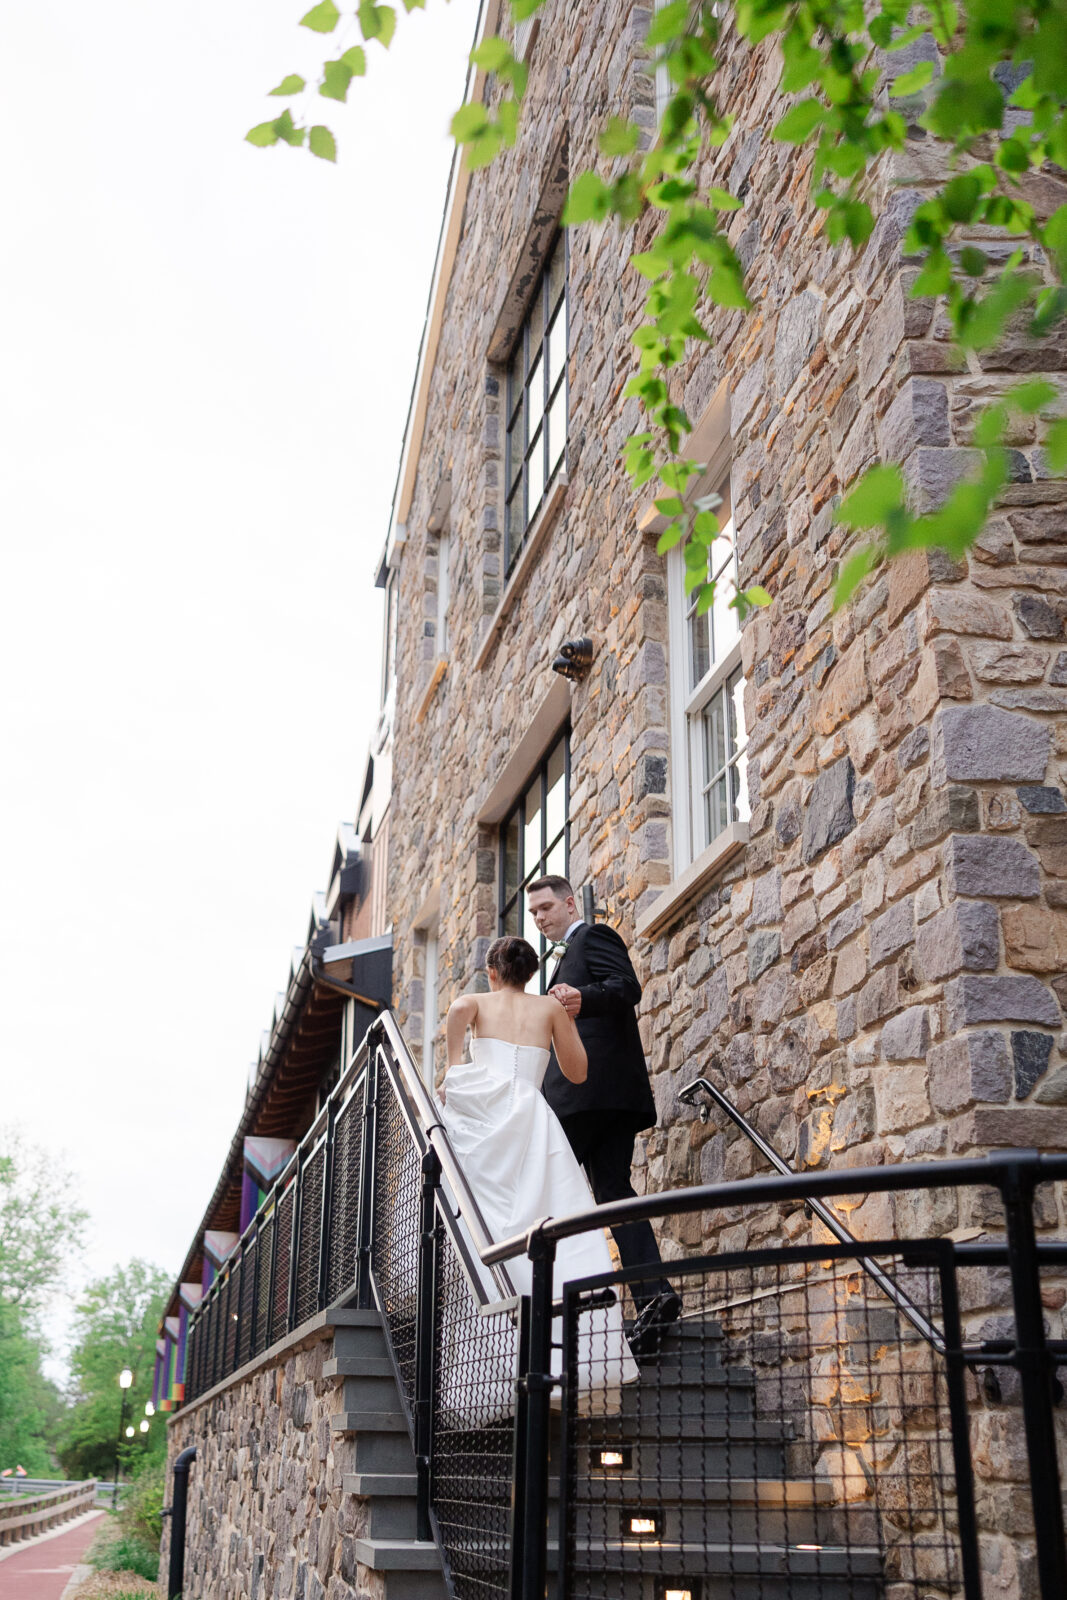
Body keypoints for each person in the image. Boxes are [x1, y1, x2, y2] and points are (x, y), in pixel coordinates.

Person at [438, 935, 637, 1393]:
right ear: (531, 974)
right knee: (551, 1221)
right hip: (530, 1117)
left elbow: (454, 1050)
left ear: (491, 972)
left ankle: (492, 1362)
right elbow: (578, 1073)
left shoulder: (471, 1003)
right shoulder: (549, 1009)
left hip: (483, 1117)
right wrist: (559, 1025)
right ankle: (577, 1361)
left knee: (485, 1223)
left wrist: (454, 1068)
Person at [527, 874, 681, 1357]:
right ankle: (654, 1296)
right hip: (600, 1098)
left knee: (543, 1193)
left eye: (546, 908)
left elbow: (626, 987)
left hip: (589, 1094)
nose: (539, 918)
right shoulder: (563, 958)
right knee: (613, 1194)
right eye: (533, 913)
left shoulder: (593, 936)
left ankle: (552, 1314)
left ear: (571, 904)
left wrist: (582, 998)